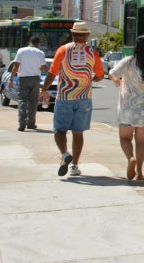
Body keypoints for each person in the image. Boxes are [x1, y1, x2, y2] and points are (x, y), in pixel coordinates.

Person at [40, 22, 104, 177]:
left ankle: (64, 154)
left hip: (64, 96)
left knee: (59, 129)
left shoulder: (63, 50)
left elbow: (52, 73)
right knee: (78, 132)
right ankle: (74, 166)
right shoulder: (92, 52)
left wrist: (44, 89)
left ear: (73, 34)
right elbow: (100, 76)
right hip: (84, 97)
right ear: (86, 35)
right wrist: (89, 79)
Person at [108, 35, 144, 181]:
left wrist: (117, 80)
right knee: (141, 141)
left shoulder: (128, 62)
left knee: (125, 138)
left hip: (129, 107)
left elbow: (112, 73)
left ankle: (130, 158)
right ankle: (139, 172)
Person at [7, 36, 47, 132]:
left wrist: (11, 79)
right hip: (35, 79)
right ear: (38, 43)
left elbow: (16, 66)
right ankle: (31, 124)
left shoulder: (21, 51)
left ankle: (21, 124)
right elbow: (43, 68)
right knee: (33, 101)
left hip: (23, 79)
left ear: (30, 42)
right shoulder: (40, 53)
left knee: (22, 100)